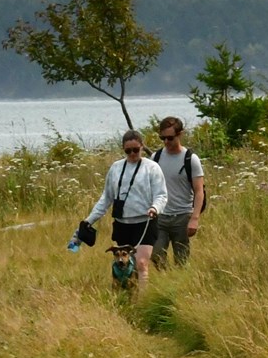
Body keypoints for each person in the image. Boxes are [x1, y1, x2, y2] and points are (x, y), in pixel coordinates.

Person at [81, 130, 167, 293]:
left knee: (141, 263)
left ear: (142, 146)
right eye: (128, 151)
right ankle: (125, 294)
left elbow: (161, 195)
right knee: (123, 262)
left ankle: (143, 299)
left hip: (145, 222)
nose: (133, 154)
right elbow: (106, 198)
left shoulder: (152, 168)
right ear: (123, 150)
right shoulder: (116, 168)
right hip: (122, 223)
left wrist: (155, 208)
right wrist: (89, 221)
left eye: (136, 149)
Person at [150, 116, 204, 268]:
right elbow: (150, 186)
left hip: (182, 217)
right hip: (160, 217)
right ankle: (164, 278)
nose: (166, 142)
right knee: (156, 254)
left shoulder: (190, 159)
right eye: (163, 138)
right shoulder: (156, 157)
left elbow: (199, 191)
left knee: (181, 260)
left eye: (170, 138)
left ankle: (179, 285)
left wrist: (194, 218)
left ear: (180, 134)